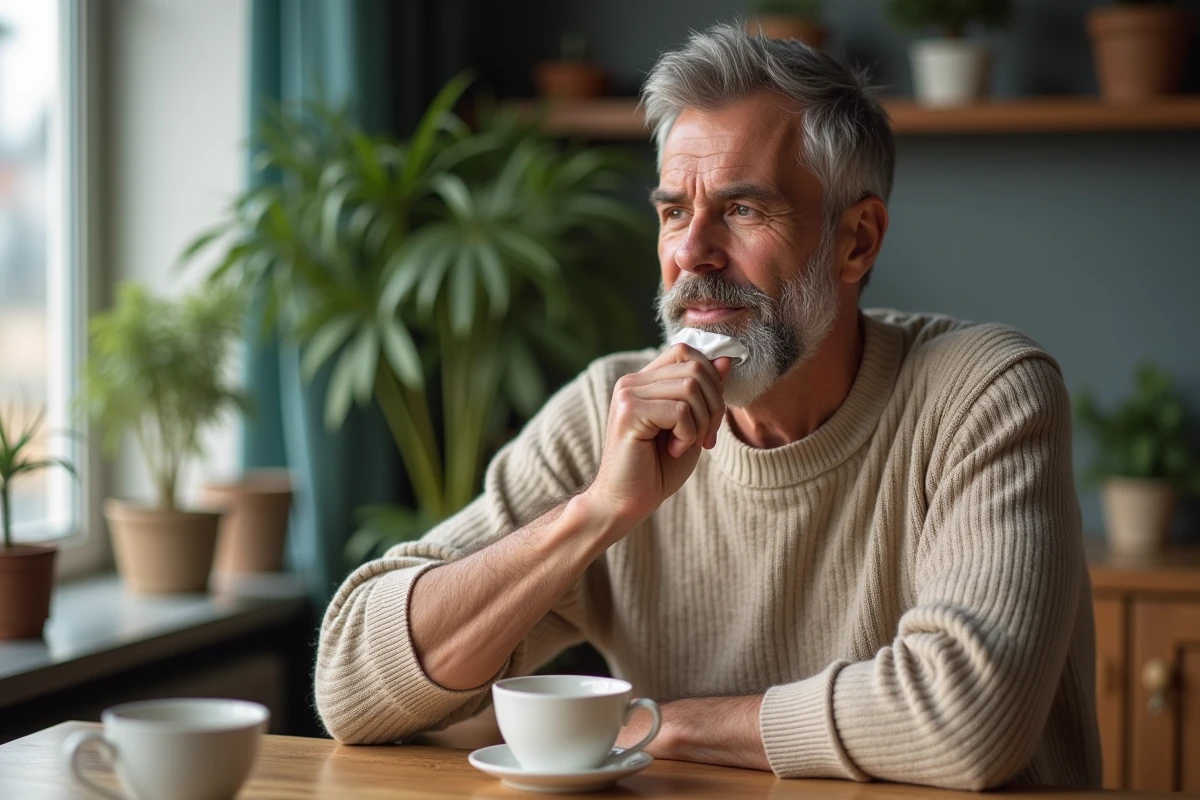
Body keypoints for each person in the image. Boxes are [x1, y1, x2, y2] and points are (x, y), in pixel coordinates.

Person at [315, 23, 1101, 791]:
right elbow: (349, 683)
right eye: (673, 212)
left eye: (744, 210)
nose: (692, 253)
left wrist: (676, 726)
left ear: (856, 241)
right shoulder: (610, 410)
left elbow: (969, 718)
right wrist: (593, 515)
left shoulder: (984, 393)